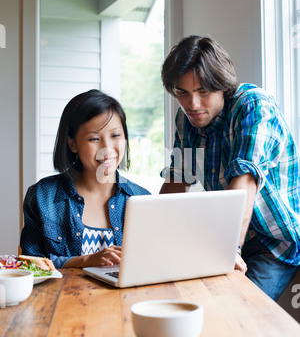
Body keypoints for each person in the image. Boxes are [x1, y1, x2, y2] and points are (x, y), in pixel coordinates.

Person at [160, 34, 300, 301]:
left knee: (234, 307)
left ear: (222, 86)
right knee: (177, 294)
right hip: (222, 234)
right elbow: (178, 179)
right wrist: (152, 238)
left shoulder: (254, 105)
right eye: (183, 93)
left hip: (273, 241)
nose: (193, 105)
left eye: (203, 92)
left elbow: (244, 182)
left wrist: (230, 249)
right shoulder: (186, 118)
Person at [20, 89, 150, 269]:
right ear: (72, 143)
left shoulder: (143, 199)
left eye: (115, 135)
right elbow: (30, 264)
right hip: (62, 297)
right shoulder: (42, 196)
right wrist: (86, 261)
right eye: (94, 138)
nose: (107, 148)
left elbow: (153, 263)